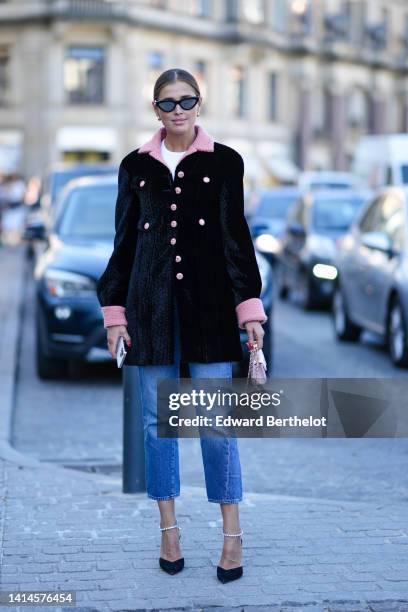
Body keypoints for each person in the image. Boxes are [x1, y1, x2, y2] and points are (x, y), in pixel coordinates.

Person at [96, 68, 268, 583]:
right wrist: (114, 315)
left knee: (216, 426)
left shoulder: (225, 162)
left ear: (199, 104)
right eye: (167, 103)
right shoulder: (135, 167)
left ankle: (231, 536)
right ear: (155, 109)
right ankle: (168, 531)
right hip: (149, 312)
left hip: (210, 310)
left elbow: (236, 238)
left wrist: (249, 310)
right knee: (156, 425)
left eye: (186, 101)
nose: (177, 110)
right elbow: (123, 243)